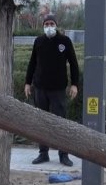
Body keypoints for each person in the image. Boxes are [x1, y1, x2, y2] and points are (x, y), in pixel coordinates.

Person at [24, 14, 80, 167]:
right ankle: (43, 153)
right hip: (40, 88)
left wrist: (75, 84)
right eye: (46, 24)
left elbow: (74, 64)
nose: (49, 26)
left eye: (51, 23)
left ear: (56, 25)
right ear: (43, 26)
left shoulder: (65, 41)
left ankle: (63, 154)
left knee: (60, 122)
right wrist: (27, 83)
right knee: (41, 122)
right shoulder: (39, 41)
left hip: (58, 89)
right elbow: (32, 63)